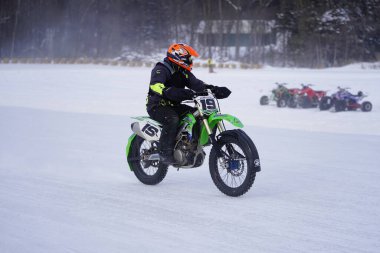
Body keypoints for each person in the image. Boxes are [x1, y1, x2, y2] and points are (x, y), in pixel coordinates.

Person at [146, 43, 231, 164]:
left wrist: (215, 90)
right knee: (172, 119)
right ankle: (164, 152)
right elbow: (156, 86)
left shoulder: (183, 72)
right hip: (158, 106)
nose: (191, 61)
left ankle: (189, 146)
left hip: (175, 106)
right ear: (179, 56)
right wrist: (173, 92)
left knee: (196, 115)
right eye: (189, 58)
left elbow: (198, 85)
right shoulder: (161, 69)